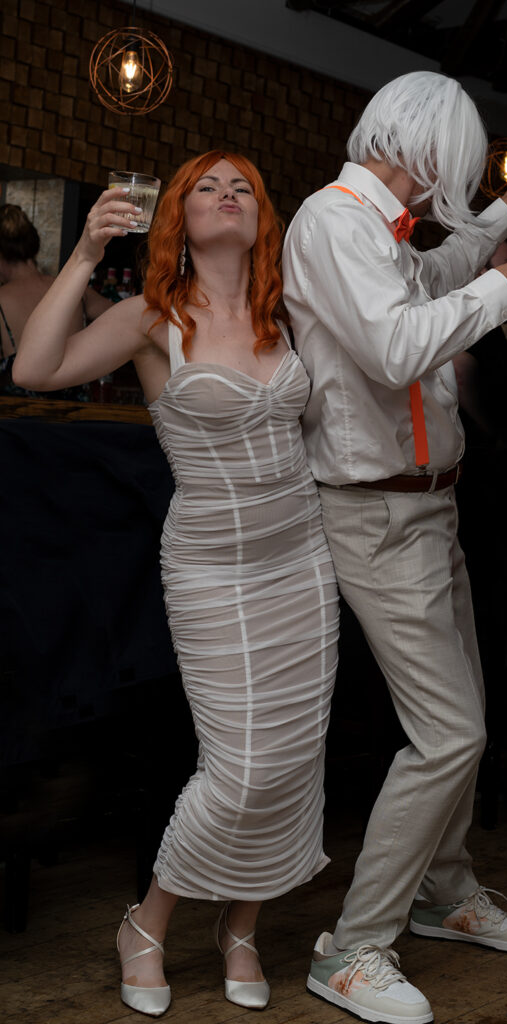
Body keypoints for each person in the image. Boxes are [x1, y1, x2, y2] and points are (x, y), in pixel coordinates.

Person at [283, 70, 507, 1024]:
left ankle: (444, 895)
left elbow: (433, 281)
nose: (451, 183)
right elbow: (395, 347)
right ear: (425, 151)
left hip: (429, 507)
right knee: (448, 731)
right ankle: (355, 946)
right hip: (373, 512)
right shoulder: (332, 222)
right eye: (455, 168)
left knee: (464, 722)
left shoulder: (383, 230)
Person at [13, 149, 339, 1017]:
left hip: (302, 563)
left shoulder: (291, 314)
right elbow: (32, 372)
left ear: (261, 215)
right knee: (238, 768)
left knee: (292, 762)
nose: (227, 195)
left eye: (243, 187)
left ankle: (241, 930)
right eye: (207, 186)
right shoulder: (154, 316)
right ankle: (147, 923)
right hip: (213, 571)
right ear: (178, 219)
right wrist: (82, 253)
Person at [0, 203, 111, 397]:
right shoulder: (76, 291)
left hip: (19, 421)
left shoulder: (2, 298)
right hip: (76, 417)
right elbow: (122, 314)